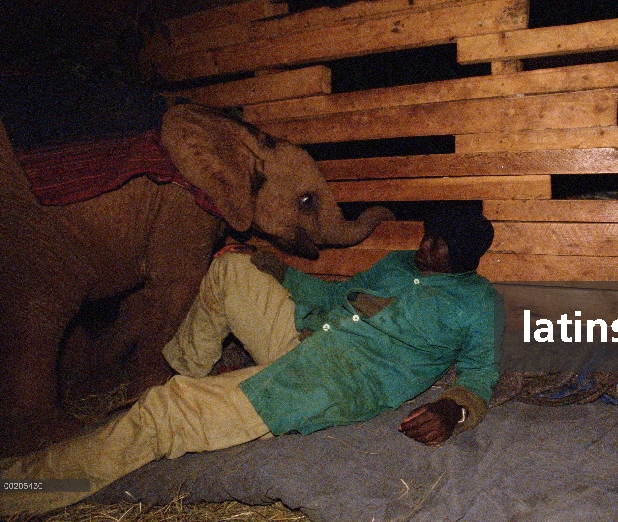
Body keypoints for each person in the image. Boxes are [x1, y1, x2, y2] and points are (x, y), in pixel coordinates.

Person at [0, 203, 503, 515]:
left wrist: (452, 410)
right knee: (230, 271)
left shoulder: (478, 302)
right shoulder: (396, 263)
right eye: (427, 236)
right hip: (308, 336)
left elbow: (481, 374)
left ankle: (22, 485)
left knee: (169, 410)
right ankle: (185, 373)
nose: (426, 248)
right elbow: (335, 296)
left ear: (467, 259)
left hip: (337, 381)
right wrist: (273, 268)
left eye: (441, 246)